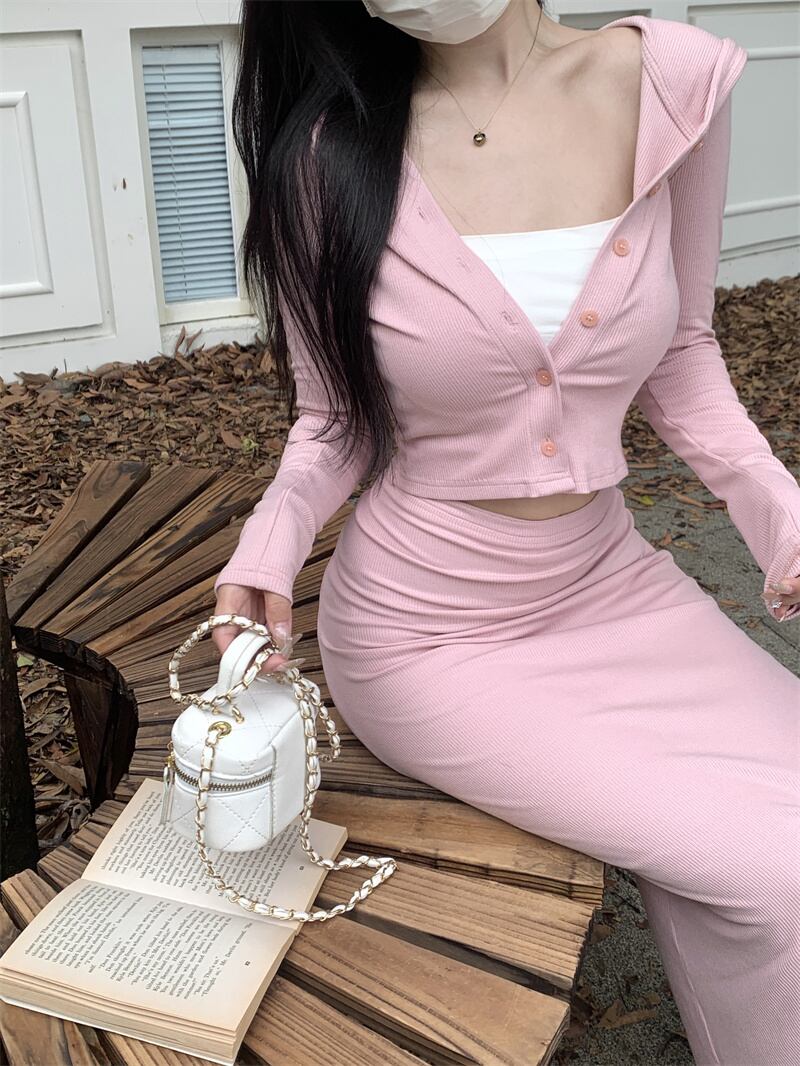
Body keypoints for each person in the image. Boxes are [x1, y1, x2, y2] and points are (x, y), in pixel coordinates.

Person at [212, 2, 800, 1062]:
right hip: (429, 636)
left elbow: (682, 352)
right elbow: (333, 420)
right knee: (772, 869)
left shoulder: (671, 84)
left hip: (609, 581)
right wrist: (267, 549)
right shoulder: (326, 153)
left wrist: (778, 514)